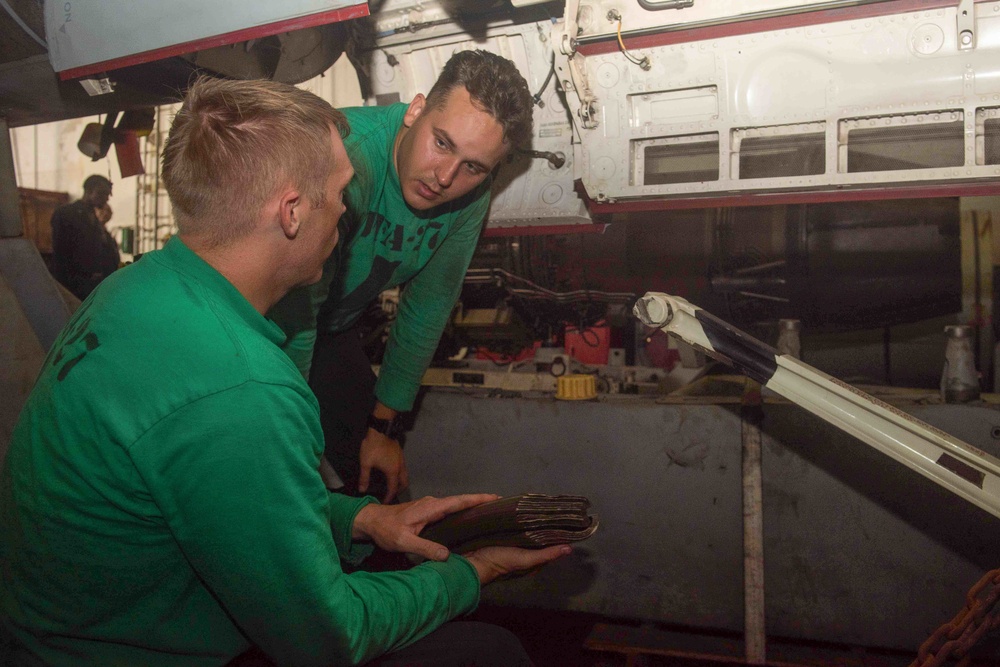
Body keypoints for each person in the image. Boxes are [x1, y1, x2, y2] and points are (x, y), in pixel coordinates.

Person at [0, 76, 568, 667]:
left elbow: (230, 500)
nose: (348, 212)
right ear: (293, 211)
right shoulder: (244, 390)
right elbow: (327, 638)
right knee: (490, 652)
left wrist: (362, 518)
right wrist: (472, 575)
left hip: (67, 625)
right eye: (342, 194)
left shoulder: (131, 289)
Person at [270, 49, 534, 502]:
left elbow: (428, 306)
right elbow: (297, 307)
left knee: (373, 487)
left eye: (473, 166)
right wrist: (287, 439)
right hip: (263, 328)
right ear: (415, 110)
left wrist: (383, 427)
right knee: (282, 483)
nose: (446, 177)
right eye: (443, 143)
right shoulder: (349, 160)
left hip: (330, 332)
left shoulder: (469, 198)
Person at [49, 174, 120, 300]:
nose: (106, 199)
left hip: (93, 285)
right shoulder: (66, 214)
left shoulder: (94, 219)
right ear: (89, 191)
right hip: (75, 286)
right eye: (102, 193)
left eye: (108, 195)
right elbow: (60, 253)